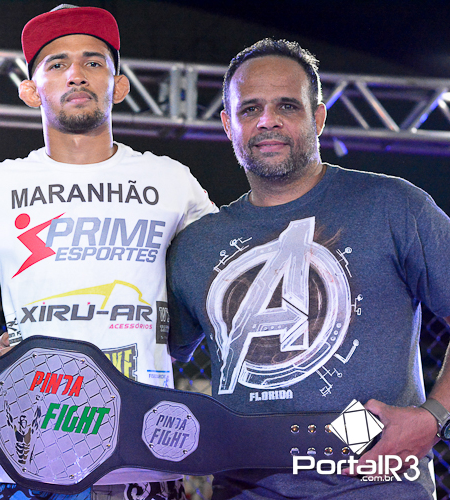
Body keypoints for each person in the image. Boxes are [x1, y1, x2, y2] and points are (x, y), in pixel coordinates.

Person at [0, 5, 217, 500]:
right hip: (27, 456)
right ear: (30, 90)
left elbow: (226, 274)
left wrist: (186, 335)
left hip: (142, 457)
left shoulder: (171, 180)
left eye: (93, 61)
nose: (77, 74)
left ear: (118, 85)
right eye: (57, 63)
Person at [167, 38, 450, 499]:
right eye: (250, 109)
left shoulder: (391, 205)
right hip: (245, 489)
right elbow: (153, 353)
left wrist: (434, 416)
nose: (268, 120)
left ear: (317, 117)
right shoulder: (198, 244)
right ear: (228, 124)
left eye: (287, 105)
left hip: (376, 486)